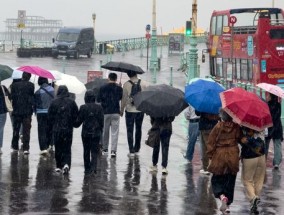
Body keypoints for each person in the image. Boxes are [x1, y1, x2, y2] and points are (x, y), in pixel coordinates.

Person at [207, 108, 241, 214]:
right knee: (230, 180)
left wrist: (210, 155)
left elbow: (211, 141)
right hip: (232, 155)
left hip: (220, 156)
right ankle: (227, 205)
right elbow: (240, 138)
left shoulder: (218, 126)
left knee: (216, 179)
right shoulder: (236, 127)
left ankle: (222, 197)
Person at [48, 85, 78, 174]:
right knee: (67, 147)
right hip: (68, 129)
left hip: (57, 129)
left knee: (58, 147)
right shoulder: (72, 102)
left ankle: (58, 165)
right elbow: (76, 115)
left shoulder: (54, 102)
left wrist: (52, 125)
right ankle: (66, 164)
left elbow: (49, 116)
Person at [74, 90, 104, 175]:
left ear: (85, 98)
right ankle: (93, 168)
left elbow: (78, 122)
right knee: (94, 151)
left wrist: (72, 122)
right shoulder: (99, 107)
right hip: (96, 132)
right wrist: (100, 129)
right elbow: (102, 121)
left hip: (86, 133)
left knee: (86, 151)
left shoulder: (83, 107)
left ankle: (87, 168)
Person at [120, 71, 147, 157]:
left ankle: (131, 149)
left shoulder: (126, 84)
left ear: (128, 75)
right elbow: (146, 97)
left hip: (129, 110)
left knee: (130, 130)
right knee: (138, 129)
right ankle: (137, 148)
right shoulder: (143, 83)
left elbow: (123, 99)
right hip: (140, 110)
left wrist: (121, 109)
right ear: (136, 74)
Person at [240, 127, 266, 214]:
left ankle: (253, 198)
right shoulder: (261, 126)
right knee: (259, 180)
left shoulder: (244, 127)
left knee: (247, 180)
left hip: (249, 156)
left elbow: (242, 140)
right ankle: (255, 202)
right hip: (261, 155)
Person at [97, 73, 123, 158]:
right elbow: (120, 98)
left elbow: (98, 99)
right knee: (114, 132)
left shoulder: (103, 88)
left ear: (108, 78)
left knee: (105, 131)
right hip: (115, 112)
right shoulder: (119, 88)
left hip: (105, 112)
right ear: (116, 79)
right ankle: (113, 151)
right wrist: (119, 88)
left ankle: (105, 149)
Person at [10, 72, 35, 154]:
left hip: (16, 111)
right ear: (29, 77)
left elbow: (12, 97)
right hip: (27, 112)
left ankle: (15, 146)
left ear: (22, 76)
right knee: (26, 131)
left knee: (16, 129)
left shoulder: (14, 85)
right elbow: (31, 96)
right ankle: (26, 148)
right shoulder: (31, 85)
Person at [34, 77, 55, 155]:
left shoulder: (37, 92)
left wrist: (35, 112)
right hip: (51, 112)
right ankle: (50, 144)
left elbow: (35, 104)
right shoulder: (53, 90)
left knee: (41, 130)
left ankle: (43, 148)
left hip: (41, 113)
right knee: (50, 128)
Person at [196, 110, 219, 175]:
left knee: (205, 148)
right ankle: (211, 166)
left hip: (204, 127)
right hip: (214, 127)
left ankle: (207, 167)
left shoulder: (203, 104)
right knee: (212, 146)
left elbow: (197, 113)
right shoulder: (216, 103)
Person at [265, 93, 283, 169]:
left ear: (271, 97)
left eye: (268, 95)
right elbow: (277, 116)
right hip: (277, 127)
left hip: (269, 127)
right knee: (277, 145)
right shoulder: (278, 105)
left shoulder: (266, 105)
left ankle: (264, 159)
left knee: (266, 144)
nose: (266, 96)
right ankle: (276, 163)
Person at [0, 82, 10, 154]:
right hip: (2, 111)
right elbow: (10, 96)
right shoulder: (3, 88)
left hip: (2, 111)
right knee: (1, 130)